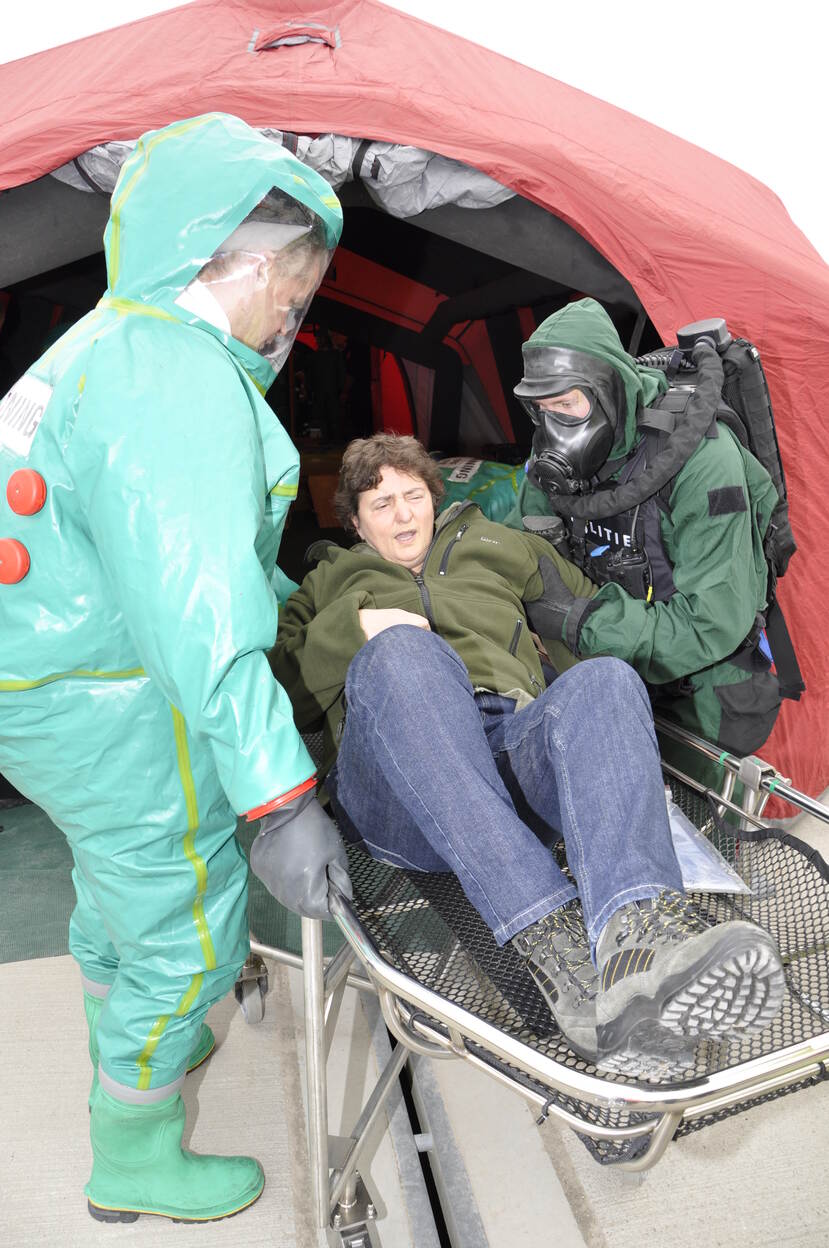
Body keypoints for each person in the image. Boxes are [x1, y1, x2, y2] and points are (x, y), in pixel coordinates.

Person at [0, 113, 345, 1224]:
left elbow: (133, 550)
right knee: (190, 916)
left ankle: (126, 1029)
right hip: (115, 699)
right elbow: (196, 612)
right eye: (288, 297)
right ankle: (134, 1152)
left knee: (119, 881)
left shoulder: (103, 341)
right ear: (234, 261)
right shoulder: (173, 374)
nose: (289, 324)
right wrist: (282, 796)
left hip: (41, 687)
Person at [271, 432, 785, 1082]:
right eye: (380, 504)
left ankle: (635, 942)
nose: (401, 514)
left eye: (411, 496)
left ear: (435, 497)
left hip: (510, 745)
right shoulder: (324, 583)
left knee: (603, 680)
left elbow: (588, 630)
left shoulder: (503, 547)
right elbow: (282, 694)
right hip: (399, 786)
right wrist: (355, 630)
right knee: (404, 655)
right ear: (353, 521)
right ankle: (550, 937)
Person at [503, 297, 784, 762]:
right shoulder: (550, 465)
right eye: (541, 409)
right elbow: (521, 552)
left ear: (610, 390)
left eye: (567, 405)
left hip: (700, 697)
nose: (554, 429)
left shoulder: (704, 463)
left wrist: (583, 621)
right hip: (609, 675)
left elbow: (712, 623)